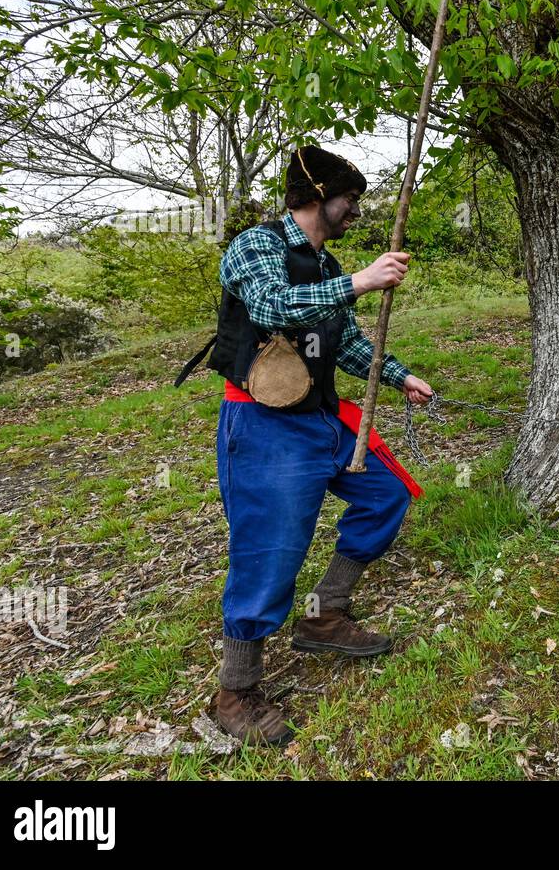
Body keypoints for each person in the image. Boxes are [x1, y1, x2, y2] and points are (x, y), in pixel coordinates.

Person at [185, 144, 434, 745]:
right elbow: (272, 305)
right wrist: (363, 280)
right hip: (265, 427)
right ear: (321, 197)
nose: (356, 213)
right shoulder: (256, 246)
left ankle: (324, 617)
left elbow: (346, 344)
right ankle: (236, 691)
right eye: (351, 201)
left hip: (323, 417)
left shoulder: (327, 268)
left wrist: (399, 376)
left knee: (385, 494)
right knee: (270, 551)